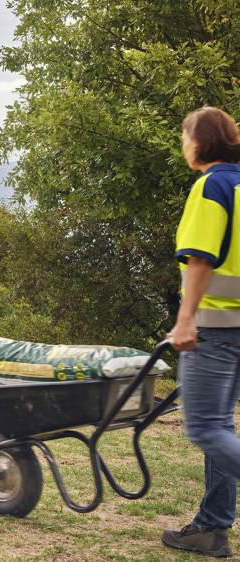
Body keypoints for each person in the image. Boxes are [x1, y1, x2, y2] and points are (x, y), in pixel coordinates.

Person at [166, 106, 240, 558]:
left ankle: (212, 527)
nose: (183, 143)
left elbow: (200, 258)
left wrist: (186, 318)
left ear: (203, 141)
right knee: (221, 425)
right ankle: (211, 528)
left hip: (215, 327)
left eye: (185, 135)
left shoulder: (212, 184)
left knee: (205, 427)